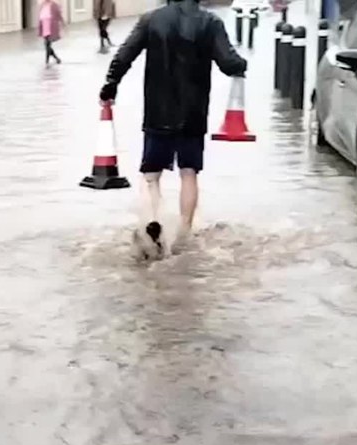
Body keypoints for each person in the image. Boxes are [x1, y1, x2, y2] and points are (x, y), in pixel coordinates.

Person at [98, 0, 246, 256]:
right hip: (193, 113)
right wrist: (241, 65)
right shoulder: (210, 23)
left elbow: (125, 54)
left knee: (151, 174)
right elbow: (228, 63)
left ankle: (152, 223)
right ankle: (185, 234)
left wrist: (111, 83)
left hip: (157, 111)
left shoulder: (151, 20)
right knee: (189, 173)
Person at [38, 0, 64, 65]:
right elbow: (40, 15)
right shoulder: (43, 4)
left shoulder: (54, 5)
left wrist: (62, 22)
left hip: (50, 25)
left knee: (47, 44)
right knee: (47, 44)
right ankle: (55, 59)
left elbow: (58, 14)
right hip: (44, 25)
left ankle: (48, 60)